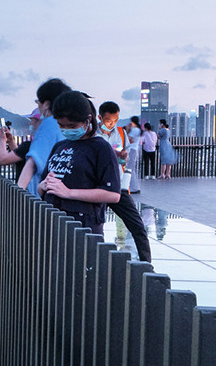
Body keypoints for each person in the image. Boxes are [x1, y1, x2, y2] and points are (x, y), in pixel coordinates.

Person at [38, 92, 123, 231]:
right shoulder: (60, 146)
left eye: (72, 126)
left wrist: (68, 192)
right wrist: (43, 185)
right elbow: (41, 186)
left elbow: (113, 194)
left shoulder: (100, 148)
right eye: (61, 125)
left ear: (87, 120)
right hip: (52, 222)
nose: (66, 130)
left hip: (83, 226)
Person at [97, 101, 153, 262]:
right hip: (98, 187)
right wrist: (112, 153)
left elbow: (125, 157)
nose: (112, 124)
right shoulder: (92, 134)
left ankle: (146, 263)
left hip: (118, 186)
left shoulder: (121, 133)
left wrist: (123, 157)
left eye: (115, 120)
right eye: (108, 121)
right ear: (100, 117)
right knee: (96, 226)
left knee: (137, 225)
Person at [18, 78, 72, 195]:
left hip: (43, 195)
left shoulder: (49, 124)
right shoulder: (68, 125)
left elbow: (33, 162)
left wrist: (18, 192)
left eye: (39, 104)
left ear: (46, 104)